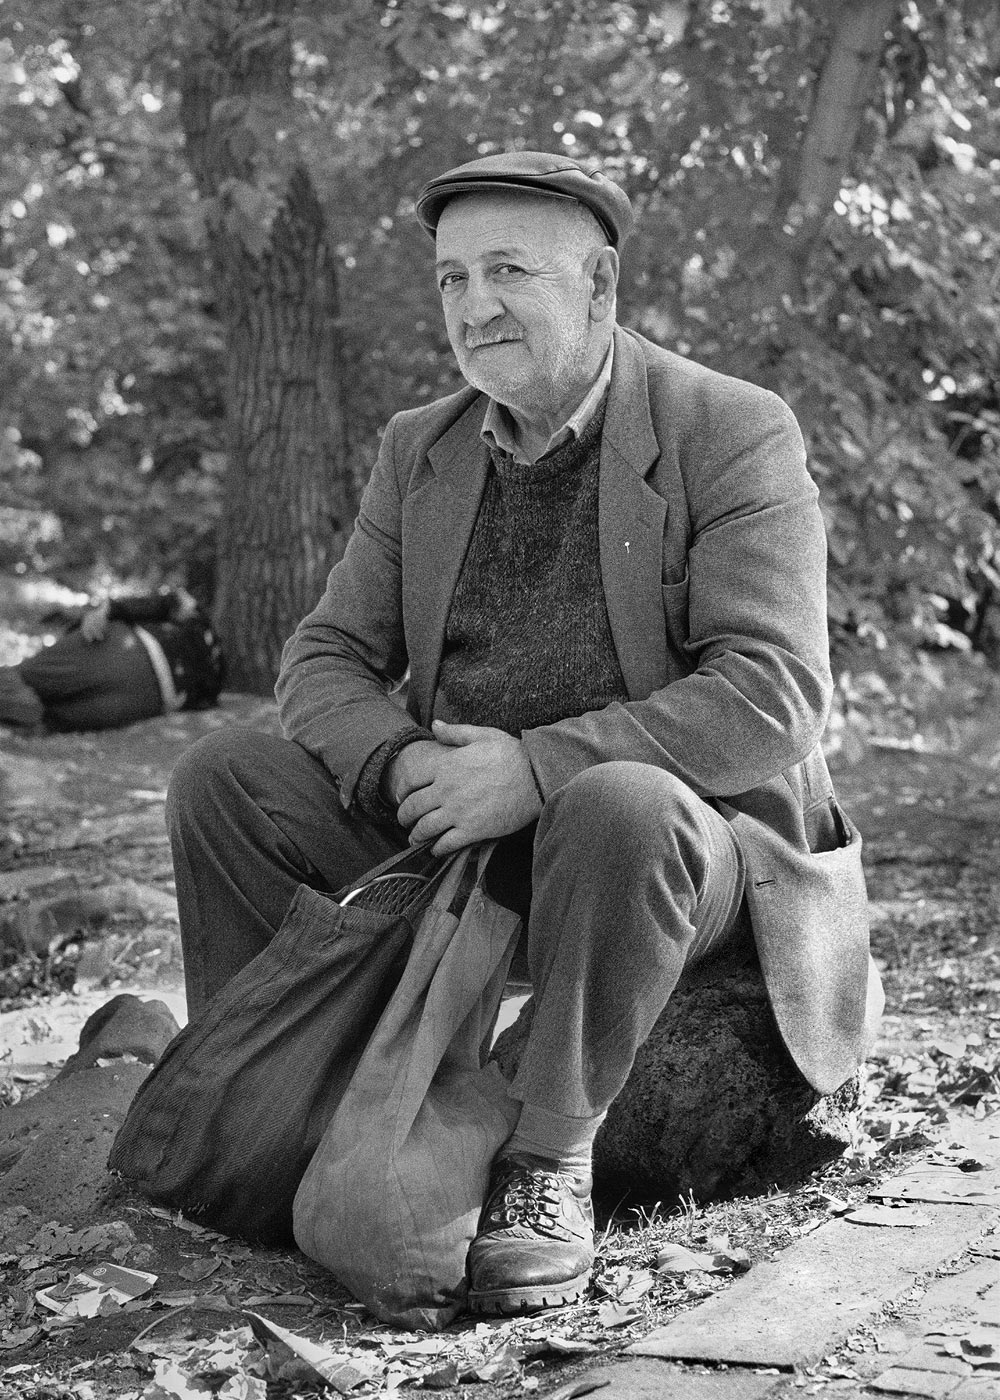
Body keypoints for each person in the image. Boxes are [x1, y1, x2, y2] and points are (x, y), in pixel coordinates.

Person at [166, 151, 884, 1317]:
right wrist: (403, 762)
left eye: (507, 270)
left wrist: (535, 768)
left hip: (682, 852)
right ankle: (274, 1099)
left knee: (617, 802)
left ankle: (547, 1163)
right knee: (224, 775)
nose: (473, 306)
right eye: (451, 279)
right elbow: (323, 658)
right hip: (461, 835)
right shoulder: (423, 446)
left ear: (600, 285)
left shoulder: (730, 429)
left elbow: (774, 690)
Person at [0, 586, 225, 732]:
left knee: (23, 680)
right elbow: (169, 602)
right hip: (150, 697)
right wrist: (107, 611)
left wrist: (108, 610)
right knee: (48, 718)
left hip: (130, 655)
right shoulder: (204, 634)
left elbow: (170, 601)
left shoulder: (197, 619)